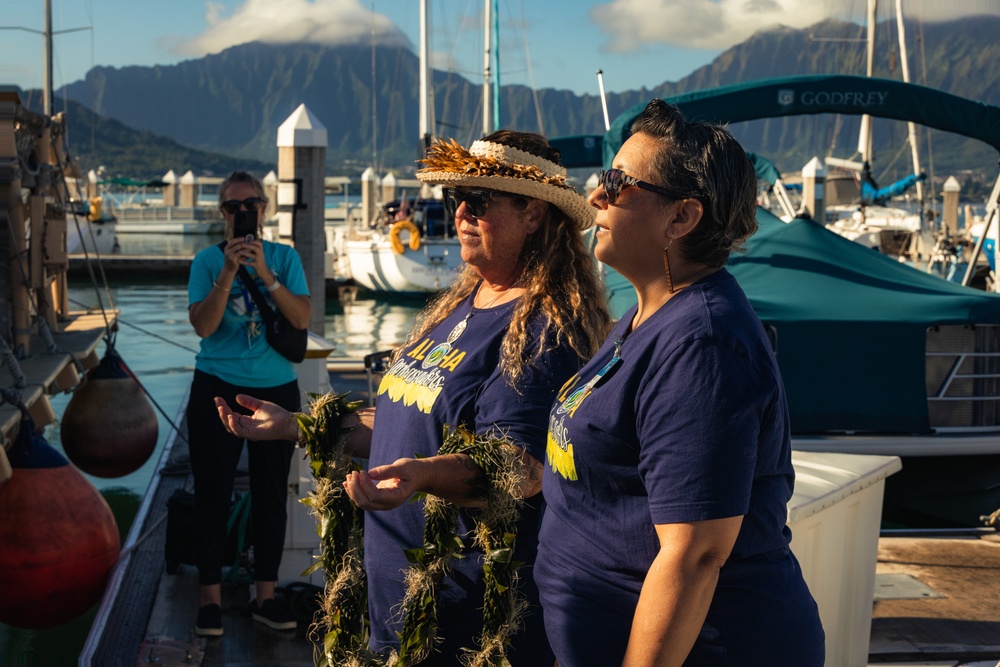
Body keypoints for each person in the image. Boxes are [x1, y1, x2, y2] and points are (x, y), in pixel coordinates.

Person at [216, 131, 611, 664]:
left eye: (482, 199)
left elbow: (518, 470)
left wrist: (422, 476)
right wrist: (296, 424)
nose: (463, 211)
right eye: (457, 198)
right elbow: (407, 422)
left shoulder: (544, 330)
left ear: (534, 214)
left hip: (465, 624)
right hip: (396, 611)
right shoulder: (461, 303)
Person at [536, 99, 826, 666]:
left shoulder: (703, 343)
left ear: (681, 219)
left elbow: (693, 556)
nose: (595, 195)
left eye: (618, 183)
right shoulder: (651, 314)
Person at [186, 170, 311, 637]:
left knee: (271, 495)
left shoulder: (284, 258)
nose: (244, 213)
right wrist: (228, 271)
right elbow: (204, 326)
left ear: (264, 209)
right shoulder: (205, 262)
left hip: (275, 391)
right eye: (234, 206)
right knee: (212, 492)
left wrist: (262, 272)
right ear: (222, 212)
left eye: (252, 205)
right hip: (216, 387)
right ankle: (210, 600)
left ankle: (266, 597)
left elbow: (300, 317)